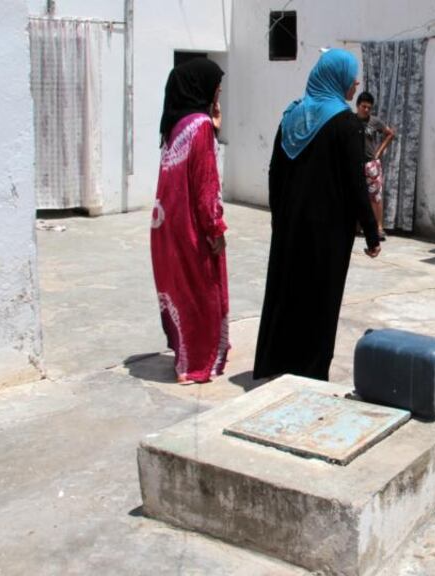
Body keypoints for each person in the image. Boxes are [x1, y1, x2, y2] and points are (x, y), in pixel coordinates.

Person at [254, 49, 381, 381]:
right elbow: (356, 184)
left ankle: (277, 362)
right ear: (338, 78)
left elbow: (274, 172)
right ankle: (310, 371)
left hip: (290, 226)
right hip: (328, 232)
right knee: (320, 298)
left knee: (288, 290)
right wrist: (371, 231)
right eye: (352, 76)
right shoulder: (346, 124)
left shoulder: (292, 116)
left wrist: (278, 217)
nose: (355, 83)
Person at [150, 58, 229, 384]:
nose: (218, 97)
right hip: (192, 228)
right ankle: (198, 364)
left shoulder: (177, 125)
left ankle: (185, 356)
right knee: (203, 292)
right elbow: (205, 185)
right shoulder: (200, 126)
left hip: (167, 227)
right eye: (216, 90)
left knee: (183, 292)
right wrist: (216, 228)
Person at [356, 91, 395, 241]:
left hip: (371, 164)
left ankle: (379, 227)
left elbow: (390, 133)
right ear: (358, 106)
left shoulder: (375, 122)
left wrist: (379, 151)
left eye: (369, 107)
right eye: (363, 106)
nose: (366, 110)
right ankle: (358, 226)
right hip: (356, 163)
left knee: (375, 197)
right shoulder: (352, 121)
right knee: (357, 196)